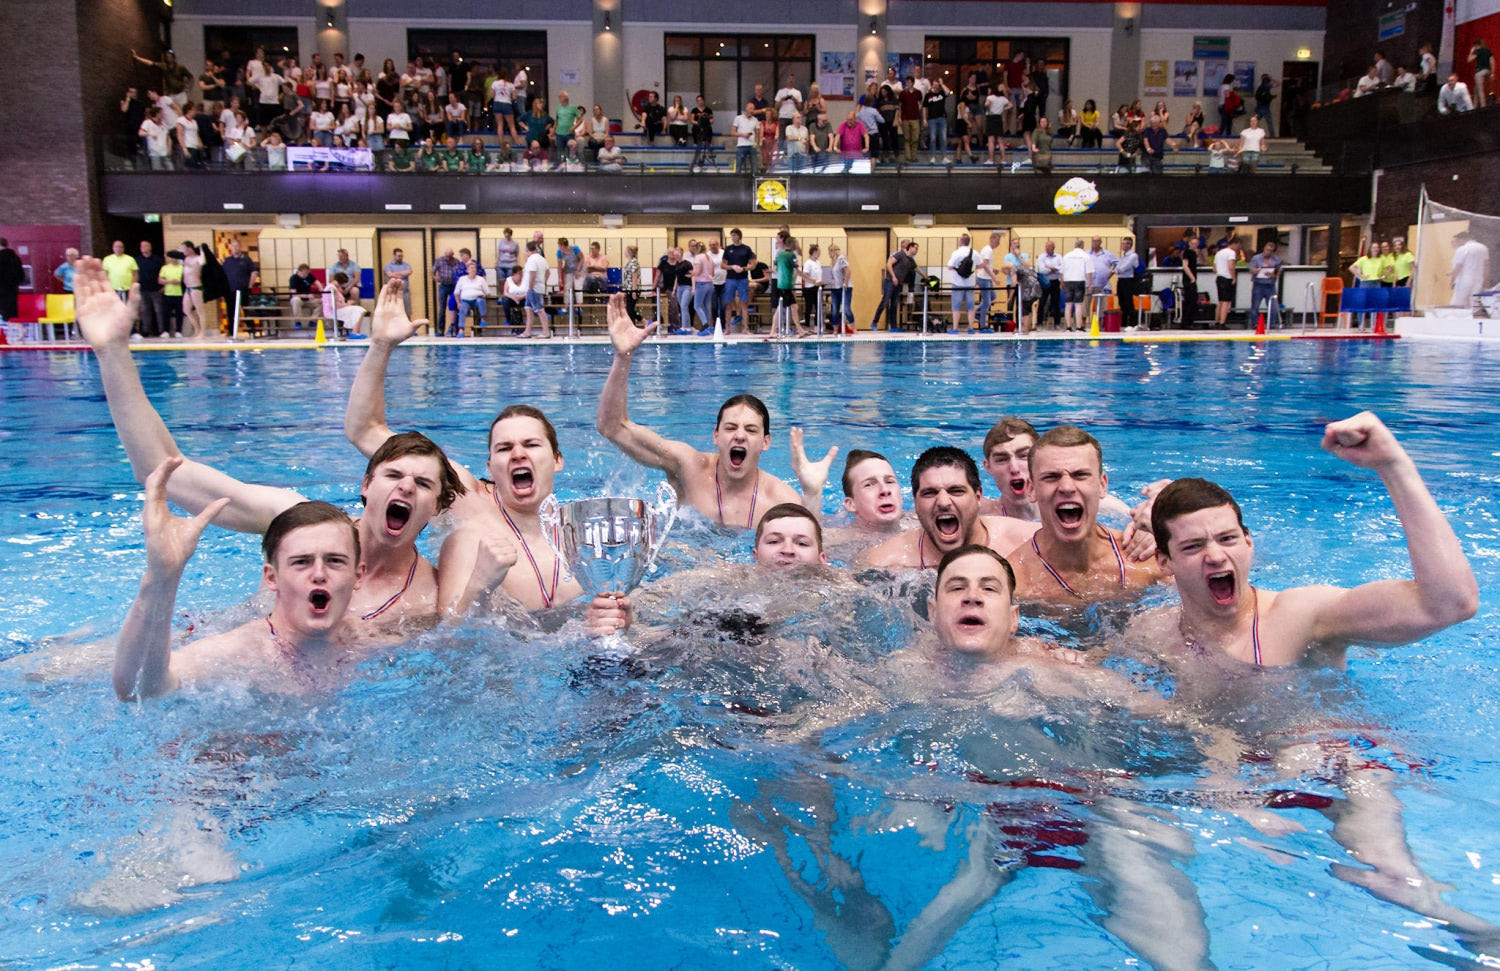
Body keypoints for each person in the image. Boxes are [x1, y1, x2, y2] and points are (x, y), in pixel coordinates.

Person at [76, 263, 461, 629]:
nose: (406, 487)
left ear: (439, 506)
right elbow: (160, 470)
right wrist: (112, 353)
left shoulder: (429, 598)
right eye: (392, 474)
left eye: (423, 484)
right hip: (213, 646)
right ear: (365, 485)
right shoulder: (301, 522)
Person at [1140, 413, 1476, 668]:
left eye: (1228, 539)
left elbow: (1449, 605)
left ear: (1249, 542)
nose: (1215, 556)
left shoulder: (1301, 616)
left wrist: (1393, 467)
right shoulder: (1154, 632)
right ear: (1164, 562)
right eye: (1193, 546)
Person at [597, 294, 823, 528]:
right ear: (716, 436)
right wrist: (623, 357)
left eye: (751, 430)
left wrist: (813, 493)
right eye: (731, 427)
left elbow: (815, 549)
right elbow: (613, 427)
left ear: (766, 442)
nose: (740, 435)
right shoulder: (687, 467)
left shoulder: (780, 500)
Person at [1007, 426, 1163, 603]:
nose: (1067, 487)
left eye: (1080, 475)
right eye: (1051, 477)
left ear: (1102, 485)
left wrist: (1168, 534)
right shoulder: (1014, 582)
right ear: (1032, 489)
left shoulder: (1146, 560)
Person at [860, 447, 1035, 570]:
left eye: (956, 491)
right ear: (915, 502)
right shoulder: (884, 561)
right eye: (929, 493)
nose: (943, 502)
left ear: (978, 496)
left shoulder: (1025, 543)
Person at [871, 240, 918, 331]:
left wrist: (926, 277)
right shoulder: (898, 254)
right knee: (885, 303)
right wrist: (893, 277)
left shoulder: (911, 258)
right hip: (890, 281)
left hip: (899, 282)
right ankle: (875, 321)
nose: (915, 250)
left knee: (894, 305)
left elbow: (916, 268)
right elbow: (889, 264)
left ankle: (893, 326)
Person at [519, 240, 551, 339]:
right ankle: (527, 331)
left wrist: (531, 287)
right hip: (538, 287)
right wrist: (543, 281)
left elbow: (532, 274)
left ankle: (546, 332)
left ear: (528, 250)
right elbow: (548, 273)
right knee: (528, 309)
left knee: (540, 310)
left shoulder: (531, 259)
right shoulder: (542, 259)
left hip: (533, 289)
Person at [1449, 231, 1490, 309]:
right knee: (1474, 305)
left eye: (1456, 241)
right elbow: (1486, 266)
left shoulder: (1463, 249)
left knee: (1458, 304)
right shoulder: (1483, 248)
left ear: (1461, 239)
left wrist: (1452, 281)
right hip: (1478, 280)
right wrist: (1485, 281)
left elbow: (1458, 267)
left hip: (1464, 280)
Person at [1248, 240, 1283, 328]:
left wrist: (1272, 274)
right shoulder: (1256, 258)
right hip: (1258, 284)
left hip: (1270, 285)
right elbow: (1251, 270)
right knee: (1255, 305)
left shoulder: (1276, 259)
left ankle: (1271, 324)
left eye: (1271, 251)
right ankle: (1255, 324)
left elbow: (1279, 272)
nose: (1268, 252)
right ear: (1264, 249)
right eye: (1267, 250)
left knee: (1273, 306)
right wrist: (1261, 270)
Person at [948, 234, 978, 334]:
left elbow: (950, 266)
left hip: (958, 283)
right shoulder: (974, 253)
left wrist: (958, 268)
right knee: (971, 307)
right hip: (970, 283)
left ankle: (955, 328)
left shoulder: (956, 253)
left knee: (956, 307)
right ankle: (971, 328)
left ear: (960, 241)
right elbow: (981, 265)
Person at [452, 260, 489, 336]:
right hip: (465, 300)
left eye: (474, 268)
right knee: (462, 309)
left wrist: (484, 296)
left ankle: (482, 319)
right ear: (467, 270)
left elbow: (487, 292)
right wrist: (458, 303)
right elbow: (456, 293)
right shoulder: (462, 279)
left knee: (481, 301)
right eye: (471, 268)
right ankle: (461, 329)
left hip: (477, 299)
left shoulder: (481, 279)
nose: (473, 270)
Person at [1060, 239, 1089, 332]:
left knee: (1068, 305)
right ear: (1083, 246)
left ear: (1075, 245)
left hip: (1068, 281)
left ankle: (1068, 327)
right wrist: (1091, 283)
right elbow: (1089, 272)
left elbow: (1061, 271)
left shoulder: (1067, 255)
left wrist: (1062, 282)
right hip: (1079, 281)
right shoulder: (1085, 256)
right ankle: (1079, 327)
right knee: (1078, 305)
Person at [1212, 237, 1240, 329]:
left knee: (1220, 302)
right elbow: (1231, 266)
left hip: (1219, 277)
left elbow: (1214, 269)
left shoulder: (1218, 253)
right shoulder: (1231, 253)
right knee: (1226, 302)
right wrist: (1233, 277)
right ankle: (1222, 323)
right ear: (1235, 244)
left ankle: (1216, 321)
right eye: (1238, 245)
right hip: (1227, 278)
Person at [101, 240, 139, 305]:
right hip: (113, 289)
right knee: (114, 307)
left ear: (123, 249)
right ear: (113, 248)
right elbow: (104, 275)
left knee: (127, 307)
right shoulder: (107, 259)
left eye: (120, 247)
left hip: (127, 289)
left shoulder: (130, 259)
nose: (118, 249)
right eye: (116, 247)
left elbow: (135, 273)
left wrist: (133, 286)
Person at [383, 248, 413, 317]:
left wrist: (395, 273)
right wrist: (403, 273)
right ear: (394, 256)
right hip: (393, 293)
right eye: (399, 256)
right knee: (394, 313)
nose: (400, 257)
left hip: (405, 293)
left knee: (407, 313)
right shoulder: (388, 265)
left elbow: (409, 272)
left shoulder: (406, 264)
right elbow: (390, 275)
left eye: (402, 256)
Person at [733, 101, 760, 174]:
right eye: (750, 108)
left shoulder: (755, 120)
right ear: (746, 108)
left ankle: (753, 181)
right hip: (741, 145)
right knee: (739, 167)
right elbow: (733, 132)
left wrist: (756, 143)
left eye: (753, 109)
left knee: (754, 167)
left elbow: (757, 133)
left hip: (752, 145)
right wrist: (743, 135)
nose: (752, 110)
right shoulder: (738, 118)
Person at [1470, 39, 1493, 109]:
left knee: (1480, 91)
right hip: (1487, 71)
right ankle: (1474, 106)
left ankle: (1483, 108)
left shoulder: (1478, 51)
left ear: (1476, 46)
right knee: (1476, 89)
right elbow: (1492, 62)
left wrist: (1471, 52)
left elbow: (1469, 59)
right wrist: (1492, 73)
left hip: (1479, 72)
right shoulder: (1488, 51)